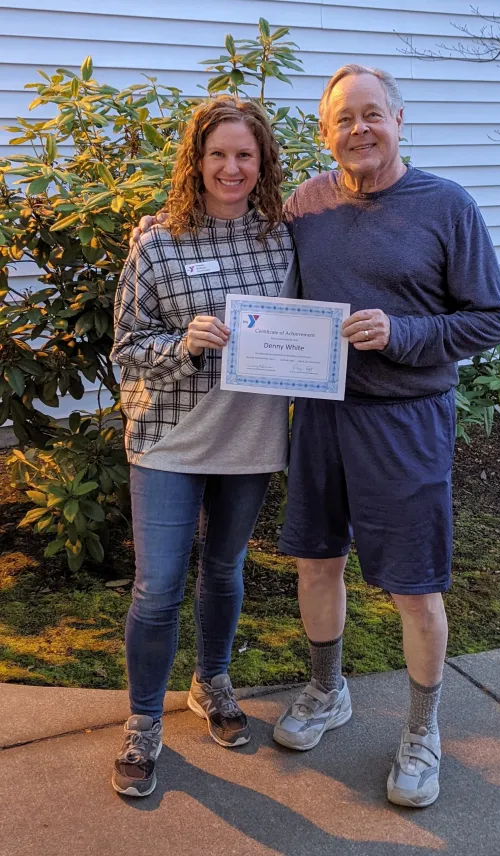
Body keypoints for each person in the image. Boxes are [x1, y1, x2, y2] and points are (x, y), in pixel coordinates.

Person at [132, 64, 500, 809]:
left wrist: (403, 333)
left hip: (406, 419)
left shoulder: (447, 206)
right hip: (320, 414)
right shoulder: (304, 205)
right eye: (344, 119)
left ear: (398, 120)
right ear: (324, 132)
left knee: (415, 586)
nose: (359, 129)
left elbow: (489, 318)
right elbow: (242, 248)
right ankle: (327, 689)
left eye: (371, 114)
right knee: (316, 562)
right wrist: (166, 246)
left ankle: (422, 731)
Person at [110, 95, 294, 798]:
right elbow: (126, 349)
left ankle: (211, 681)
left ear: (263, 162)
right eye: (218, 153)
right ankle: (142, 721)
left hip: (249, 438)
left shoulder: (282, 238)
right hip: (169, 439)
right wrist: (183, 344)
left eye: (245, 154)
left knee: (224, 569)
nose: (231, 167)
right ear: (197, 160)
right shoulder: (157, 242)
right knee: (157, 587)